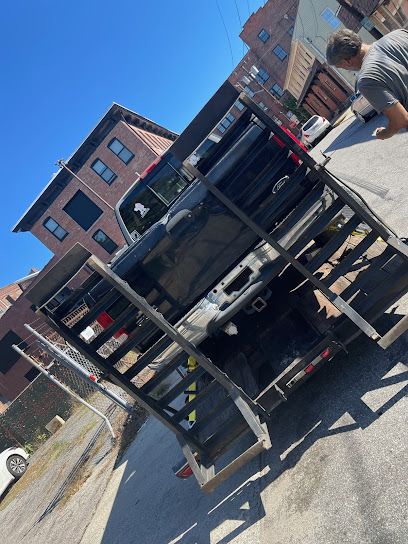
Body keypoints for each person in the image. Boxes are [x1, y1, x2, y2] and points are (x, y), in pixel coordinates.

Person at [326, 28, 408, 140]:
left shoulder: (366, 80)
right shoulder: (398, 34)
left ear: (347, 61)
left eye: (342, 67)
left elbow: (401, 120)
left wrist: (383, 133)